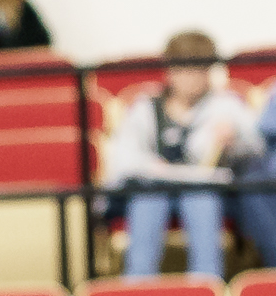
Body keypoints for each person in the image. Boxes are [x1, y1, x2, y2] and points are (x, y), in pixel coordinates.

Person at [103, 31, 258, 279]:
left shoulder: (227, 105)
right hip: (153, 189)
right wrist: (153, 167)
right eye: (185, 70)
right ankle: (138, 284)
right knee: (147, 200)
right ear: (170, 71)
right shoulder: (145, 106)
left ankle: (207, 283)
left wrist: (234, 143)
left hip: (208, 192)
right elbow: (123, 159)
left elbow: (255, 151)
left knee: (201, 199)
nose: (193, 79)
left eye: (201, 70)